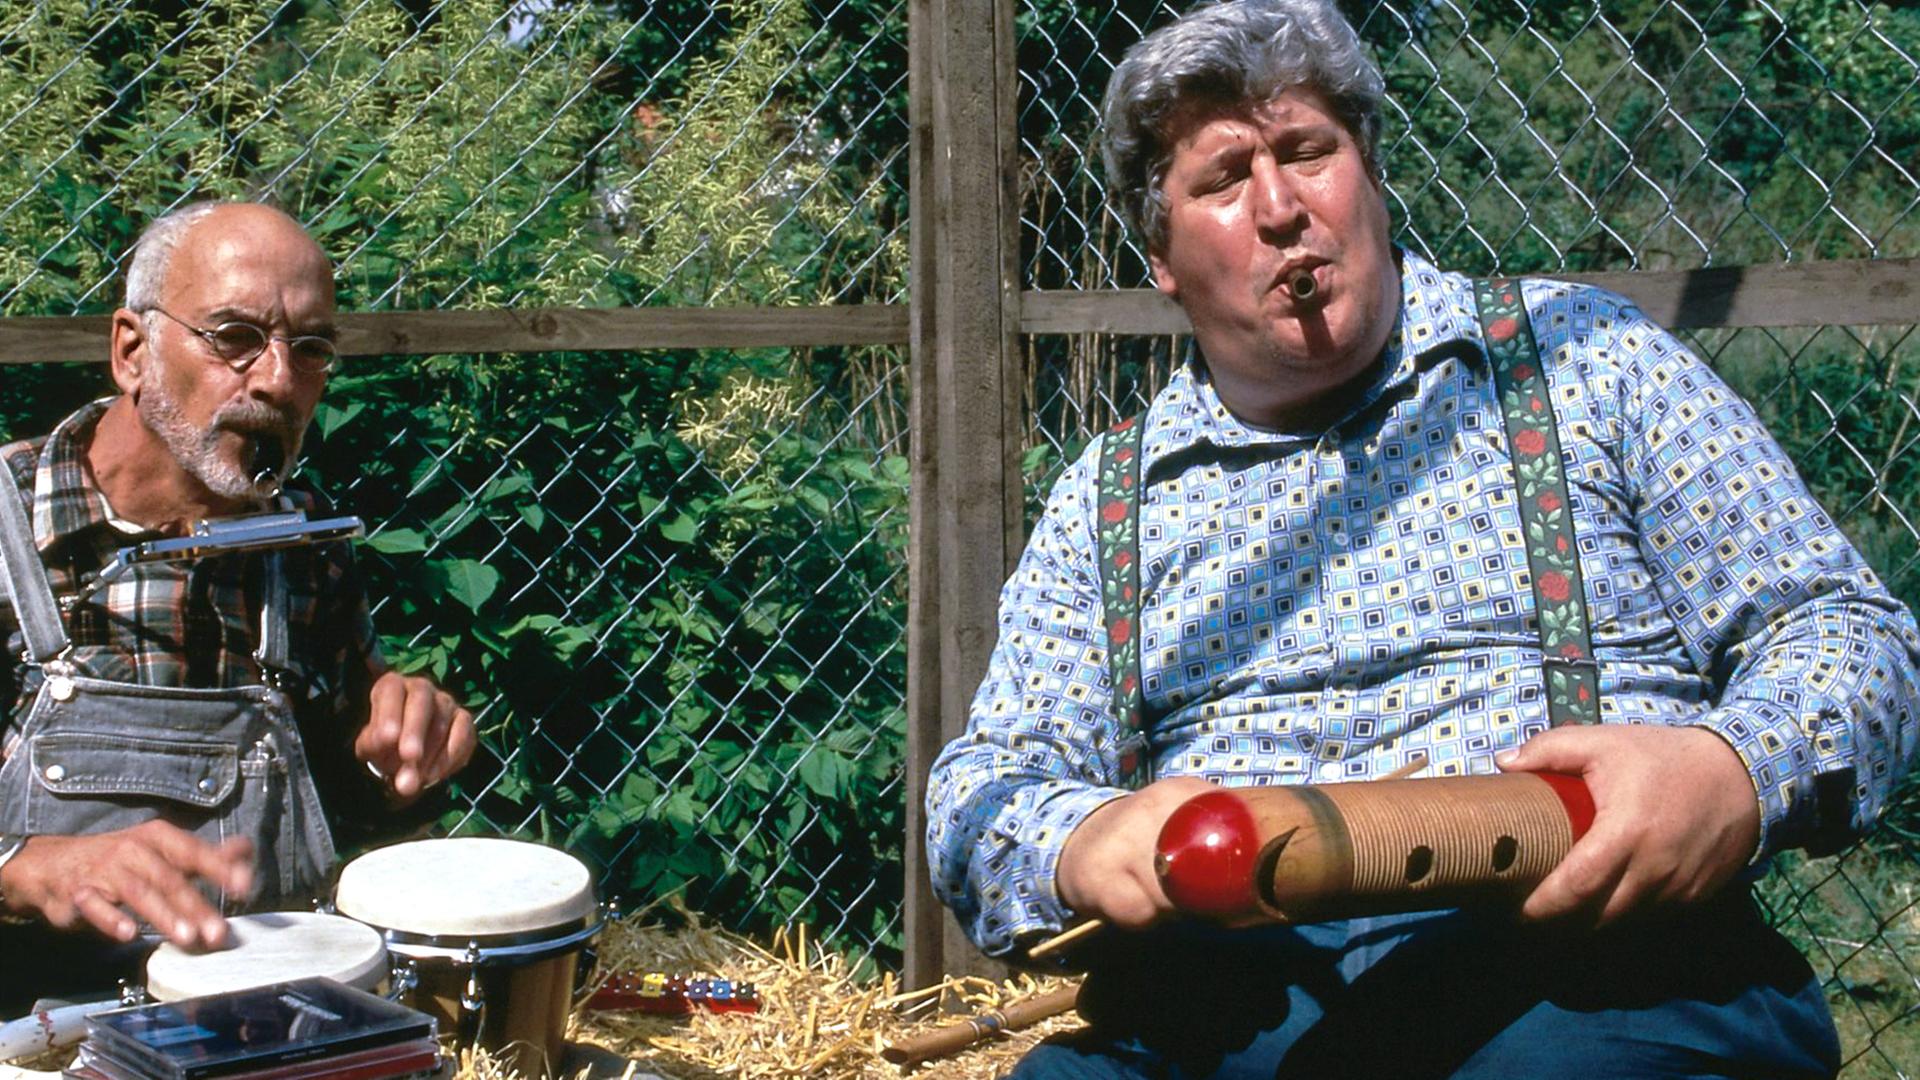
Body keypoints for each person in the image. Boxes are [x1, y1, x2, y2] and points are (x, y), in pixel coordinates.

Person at [926, 2, 1920, 1075]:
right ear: (1160, 253)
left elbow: (1850, 632)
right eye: (1223, 180)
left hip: (1593, 977)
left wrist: (1732, 773)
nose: (1281, 207)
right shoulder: (1107, 501)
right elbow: (983, 790)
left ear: (1371, 174)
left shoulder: (1586, 359)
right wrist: (1080, 844)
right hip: (1235, 1011)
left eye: (1309, 151)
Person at [0, 202, 476, 1010]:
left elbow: (344, 813)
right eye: (234, 337)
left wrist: (397, 761)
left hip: (260, 1026)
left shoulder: (304, 544)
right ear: (132, 351)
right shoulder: (12, 530)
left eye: (311, 348)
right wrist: (24, 867)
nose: (279, 381)